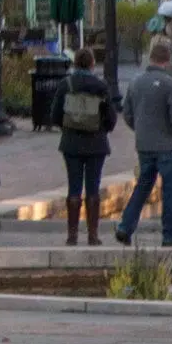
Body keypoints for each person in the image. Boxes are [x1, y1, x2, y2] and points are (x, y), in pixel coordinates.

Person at [116, 35, 172, 249]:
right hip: (168, 146)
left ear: (150, 58)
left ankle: (125, 226)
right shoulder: (171, 85)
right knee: (169, 189)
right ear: (167, 61)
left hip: (144, 144)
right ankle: (170, 234)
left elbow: (127, 114)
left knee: (143, 185)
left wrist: (141, 130)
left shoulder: (135, 83)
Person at [54, 41, 120, 245]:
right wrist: (102, 129)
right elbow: (111, 117)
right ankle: (93, 235)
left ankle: (72, 235)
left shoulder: (67, 84)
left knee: (73, 186)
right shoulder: (100, 86)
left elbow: (56, 113)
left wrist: (67, 128)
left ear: (75, 63)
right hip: (95, 143)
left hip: (71, 143)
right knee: (93, 186)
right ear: (92, 64)